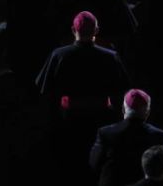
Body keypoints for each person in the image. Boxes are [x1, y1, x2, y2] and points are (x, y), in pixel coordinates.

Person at [36, 11, 130, 185]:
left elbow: (46, 91)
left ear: (73, 29)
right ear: (96, 30)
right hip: (100, 116)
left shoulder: (59, 55)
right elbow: (121, 90)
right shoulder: (110, 57)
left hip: (69, 117)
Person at [89, 89, 163, 186]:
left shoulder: (105, 133)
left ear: (123, 109)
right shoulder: (158, 136)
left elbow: (94, 164)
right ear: (147, 112)